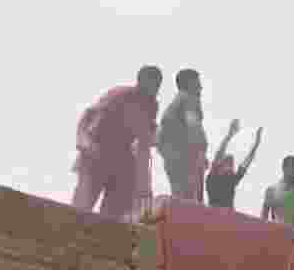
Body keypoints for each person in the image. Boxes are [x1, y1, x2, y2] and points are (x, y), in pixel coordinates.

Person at [71, 65, 162, 220]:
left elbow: (145, 142)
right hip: (97, 150)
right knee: (82, 205)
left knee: (116, 209)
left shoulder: (151, 105)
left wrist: (144, 186)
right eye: (153, 83)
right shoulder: (120, 94)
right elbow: (88, 115)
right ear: (140, 81)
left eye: (159, 84)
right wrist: (82, 140)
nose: (156, 88)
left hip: (122, 157)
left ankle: (104, 236)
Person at [158, 68, 208, 202]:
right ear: (189, 84)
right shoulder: (188, 99)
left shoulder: (174, 103)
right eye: (198, 83)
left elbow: (160, 136)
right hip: (186, 158)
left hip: (174, 158)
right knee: (191, 202)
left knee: (180, 199)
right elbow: (193, 125)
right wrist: (200, 153)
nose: (201, 87)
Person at [205, 119, 262, 208]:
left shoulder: (231, 179)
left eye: (231, 164)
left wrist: (256, 144)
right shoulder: (213, 175)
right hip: (213, 212)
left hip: (228, 215)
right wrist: (230, 134)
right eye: (227, 162)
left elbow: (247, 161)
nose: (231, 165)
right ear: (221, 164)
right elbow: (219, 154)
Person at [260, 155, 294, 234]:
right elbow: (264, 217)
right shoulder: (271, 190)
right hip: (278, 234)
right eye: (293, 167)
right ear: (284, 168)